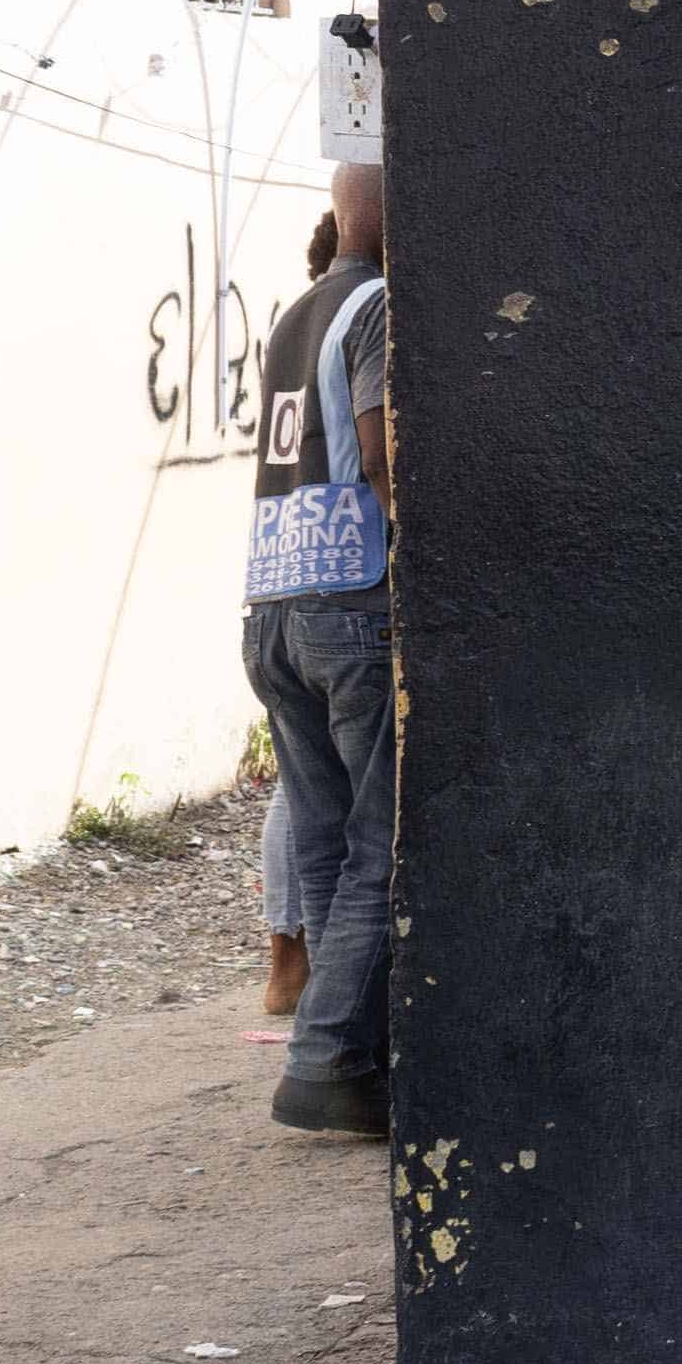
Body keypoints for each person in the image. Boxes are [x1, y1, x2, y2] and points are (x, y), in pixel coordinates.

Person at [242, 167, 394, 1135]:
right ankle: (327, 1059)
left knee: (326, 841)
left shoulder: (296, 311)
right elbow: (380, 452)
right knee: (384, 846)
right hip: (351, 600)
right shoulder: (380, 306)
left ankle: (342, 1047)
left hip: (273, 601)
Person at [257, 204, 344, 1030]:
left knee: (301, 786)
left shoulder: (290, 324)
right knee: (324, 796)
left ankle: (291, 960)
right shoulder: (353, 321)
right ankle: (302, 969)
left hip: (277, 573)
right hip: (333, 578)